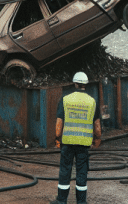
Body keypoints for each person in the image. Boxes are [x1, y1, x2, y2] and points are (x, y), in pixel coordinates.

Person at [51, 72, 101, 204]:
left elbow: (59, 123)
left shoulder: (65, 99)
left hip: (67, 142)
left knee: (65, 170)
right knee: (82, 172)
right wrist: (97, 139)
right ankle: (81, 201)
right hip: (84, 144)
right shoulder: (92, 102)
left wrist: (57, 138)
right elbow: (97, 125)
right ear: (85, 84)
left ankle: (61, 200)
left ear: (75, 83)